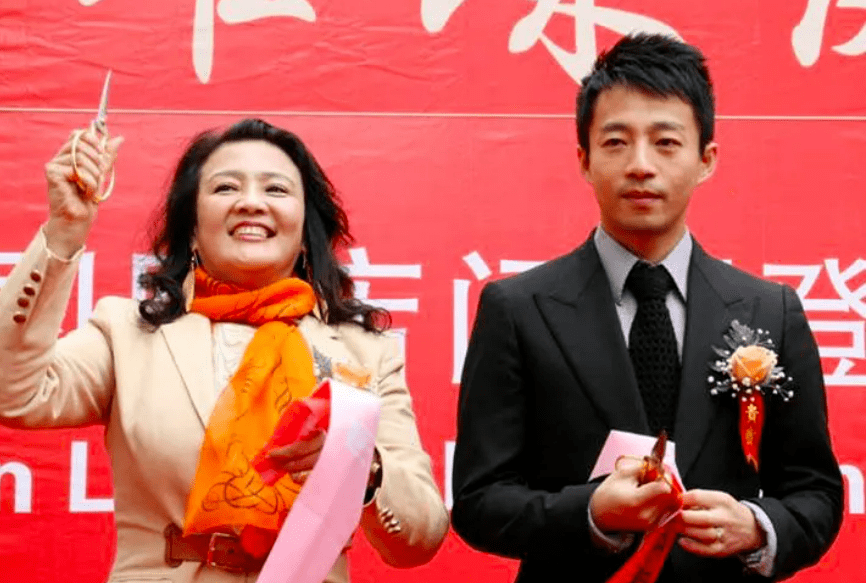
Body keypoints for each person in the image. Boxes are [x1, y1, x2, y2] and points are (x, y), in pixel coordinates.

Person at [451, 33, 843, 582]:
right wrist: (590, 513)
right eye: (616, 142)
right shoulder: (517, 309)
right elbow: (479, 500)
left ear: (706, 160)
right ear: (584, 159)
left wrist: (756, 527)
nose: (640, 165)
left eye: (666, 142)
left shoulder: (768, 311)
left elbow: (816, 492)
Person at [0, 118, 448, 582]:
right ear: (192, 229)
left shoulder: (364, 353)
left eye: (276, 189)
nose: (251, 202)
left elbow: (420, 538)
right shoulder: (127, 333)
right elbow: (13, 393)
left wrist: (363, 467)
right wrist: (65, 231)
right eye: (226, 187)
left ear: (305, 232)